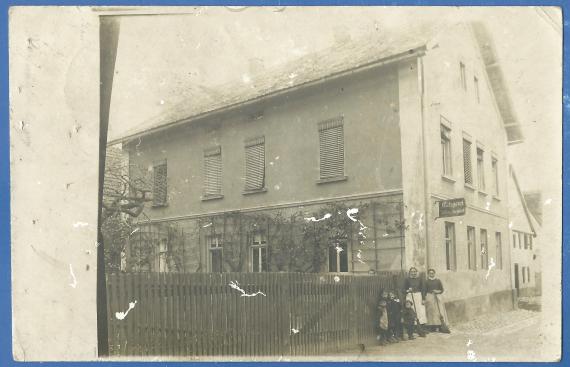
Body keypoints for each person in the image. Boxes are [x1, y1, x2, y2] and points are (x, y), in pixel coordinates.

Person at [403, 267, 427, 336]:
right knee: (412, 311)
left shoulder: (420, 279)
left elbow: (423, 289)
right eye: (412, 272)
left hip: (418, 296)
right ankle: (413, 327)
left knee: (420, 311)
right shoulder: (407, 280)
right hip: (410, 296)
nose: (413, 273)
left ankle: (421, 327)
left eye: (414, 272)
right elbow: (403, 289)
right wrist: (408, 290)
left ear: (416, 272)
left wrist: (423, 299)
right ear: (409, 272)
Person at [424, 268, 450, 333]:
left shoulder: (438, 281)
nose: (431, 274)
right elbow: (425, 290)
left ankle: (439, 326)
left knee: (439, 311)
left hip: (437, 297)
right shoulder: (426, 281)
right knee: (431, 312)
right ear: (428, 274)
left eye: (432, 273)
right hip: (430, 297)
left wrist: (437, 291)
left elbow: (442, 289)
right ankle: (431, 326)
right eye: (430, 273)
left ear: (434, 274)